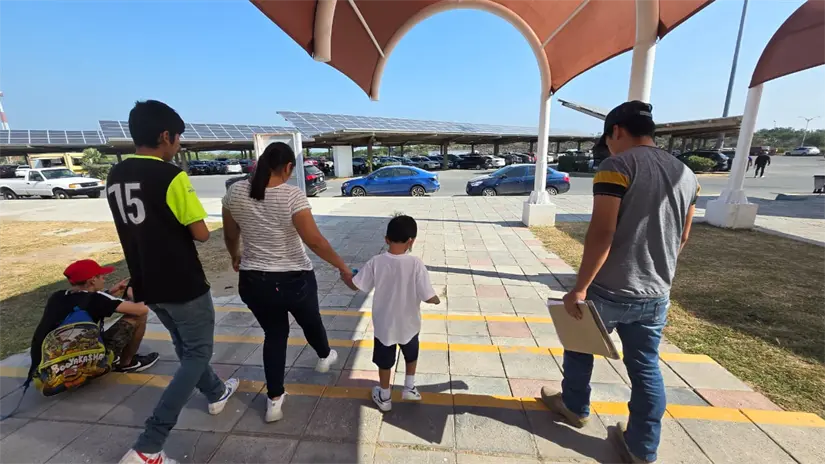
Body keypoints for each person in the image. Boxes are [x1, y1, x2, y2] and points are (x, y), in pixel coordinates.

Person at [540, 101, 698, 464]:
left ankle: (575, 406)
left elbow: (602, 231)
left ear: (617, 132)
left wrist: (579, 288)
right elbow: (683, 236)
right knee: (645, 366)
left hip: (610, 288)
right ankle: (643, 448)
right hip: (656, 292)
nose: (609, 146)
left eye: (609, 139)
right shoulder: (687, 174)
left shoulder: (617, 166)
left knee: (579, 346)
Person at [110, 100, 238, 464]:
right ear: (165, 136)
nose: (179, 145)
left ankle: (215, 392)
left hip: (147, 281)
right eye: (178, 138)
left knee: (185, 346)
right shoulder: (171, 176)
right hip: (182, 280)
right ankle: (149, 445)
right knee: (197, 353)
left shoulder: (115, 176)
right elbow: (200, 233)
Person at [222, 142, 349, 423]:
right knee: (310, 320)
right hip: (294, 279)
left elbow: (230, 235)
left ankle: (274, 401)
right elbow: (314, 240)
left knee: (275, 335)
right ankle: (325, 355)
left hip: (253, 281)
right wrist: (343, 267)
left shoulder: (236, 191)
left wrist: (236, 256)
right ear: (288, 167)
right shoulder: (292, 196)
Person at [344, 215, 440, 412]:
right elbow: (428, 296)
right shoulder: (416, 264)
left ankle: (385, 396)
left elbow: (356, 285)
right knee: (411, 354)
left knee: (385, 361)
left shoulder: (376, 262)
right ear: (411, 240)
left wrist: (345, 275)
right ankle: (409, 387)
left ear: (386, 238)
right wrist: (438, 299)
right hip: (409, 325)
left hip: (385, 325)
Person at [28, 259, 159, 381]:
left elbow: (89, 302)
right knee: (138, 317)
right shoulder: (97, 299)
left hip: (48, 367)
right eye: (101, 276)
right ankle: (126, 363)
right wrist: (134, 295)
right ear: (92, 281)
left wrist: (112, 291)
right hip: (79, 363)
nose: (104, 278)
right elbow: (141, 309)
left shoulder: (58, 296)